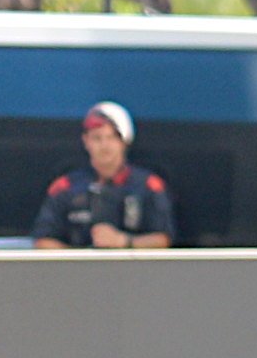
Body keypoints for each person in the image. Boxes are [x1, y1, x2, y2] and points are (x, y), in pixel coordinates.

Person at [32, 100, 176, 251]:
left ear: (125, 141)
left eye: (112, 137)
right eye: (97, 138)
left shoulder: (148, 186)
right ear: (86, 141)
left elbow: (163, 239)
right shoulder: (65, 187)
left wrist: (123, 241)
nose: (104, 145)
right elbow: (43, 240)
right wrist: (83, 259)